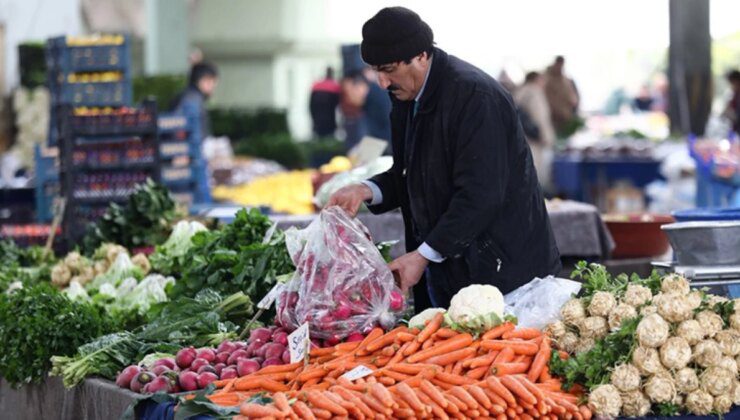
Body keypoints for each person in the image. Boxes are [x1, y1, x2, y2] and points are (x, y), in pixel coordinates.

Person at [327, 7, 561, 312]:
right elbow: (412, 172)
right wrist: (366, 189)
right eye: (376, 72)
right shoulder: (405, 95)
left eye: (388, 69)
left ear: (421, 55)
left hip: (504, 272)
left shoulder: (476, 97)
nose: (382, 83)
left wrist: (423, 255)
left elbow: (481, 194)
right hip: (453, 269)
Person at [514, 71, 556, 191]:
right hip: (536, 141)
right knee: (536, 176)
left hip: (524, 139)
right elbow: (540, 117)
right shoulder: (534, 93)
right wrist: (545, 136)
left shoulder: (519, 92)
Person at [171, 61, 219, 140]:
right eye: (213, 82)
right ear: (205, 80)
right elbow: (177, 127)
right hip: (191, 149)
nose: (213, 87)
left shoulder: (189, 95)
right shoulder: (192, 99)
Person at [543, 56, 579, 135]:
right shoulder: (547, 80)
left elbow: (573, 97)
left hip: (566, 117)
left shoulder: (566, 79)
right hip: (554, 118)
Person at [309, 67, 342, 138]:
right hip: (330, 121)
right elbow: (339, 106)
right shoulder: (335, 86)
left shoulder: (316, 86)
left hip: (317, 121)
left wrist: (313, 120)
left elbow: (311, 106)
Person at [723, 70, 740, 134]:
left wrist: (729, 114)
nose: (731, 86)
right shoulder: (735, 95)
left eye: (732, 83)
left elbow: (737, 118)